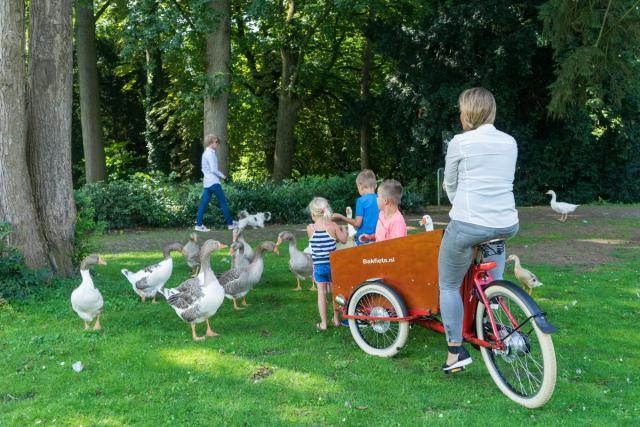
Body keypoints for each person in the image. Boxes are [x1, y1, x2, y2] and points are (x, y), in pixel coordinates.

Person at [439, 87, 519, 374]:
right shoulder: (510, 142)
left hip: (469, 224)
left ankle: (454, 352)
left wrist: (461, 206)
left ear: (468, 112)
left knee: (448, 285)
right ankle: (491, 317)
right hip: (505, 224)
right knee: (490, 281)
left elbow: (450, 184)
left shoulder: (460, 142)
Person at [307, 197, 347, 331]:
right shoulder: (333, 226)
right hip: (332, 266)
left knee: (321, 293)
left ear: (313, 215)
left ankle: (323, 323)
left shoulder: (310, 228)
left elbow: (315, 245)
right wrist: (344, 229)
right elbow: (343, 240)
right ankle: (336, 319)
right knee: (335, 292)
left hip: (319, 267)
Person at [332, 169, 379, 245]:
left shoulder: (361, 201)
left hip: (363, 241)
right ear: (375, 185)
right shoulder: (381, 199)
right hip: (379, 240)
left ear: (360, 185)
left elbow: (357, 224)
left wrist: (341, 217)